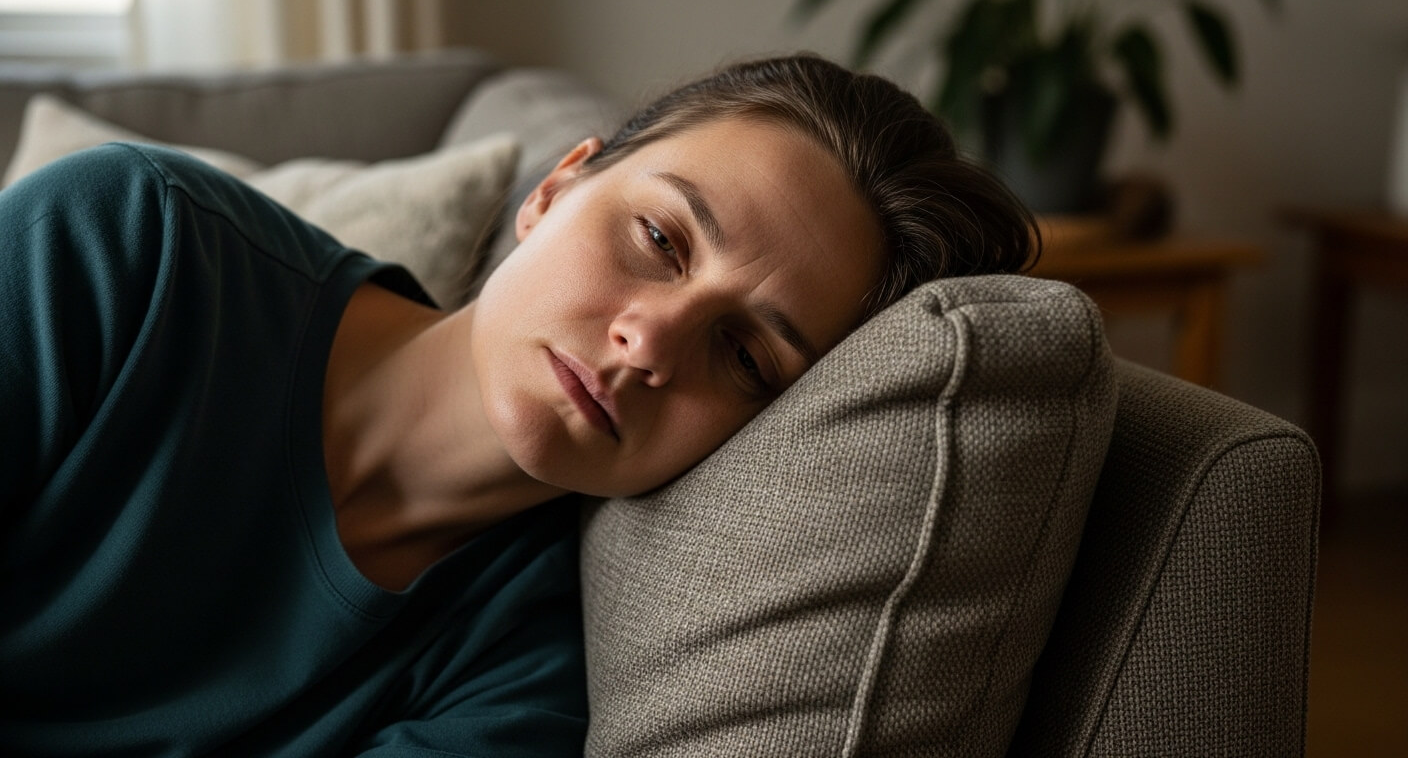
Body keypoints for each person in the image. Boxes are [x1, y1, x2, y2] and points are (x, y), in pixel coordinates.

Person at [0, 54, 1036, 756]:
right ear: (554, 188)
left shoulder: (530, 679)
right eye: (662, 240)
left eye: (747, 357)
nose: (650, 344)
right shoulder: (132, 245)